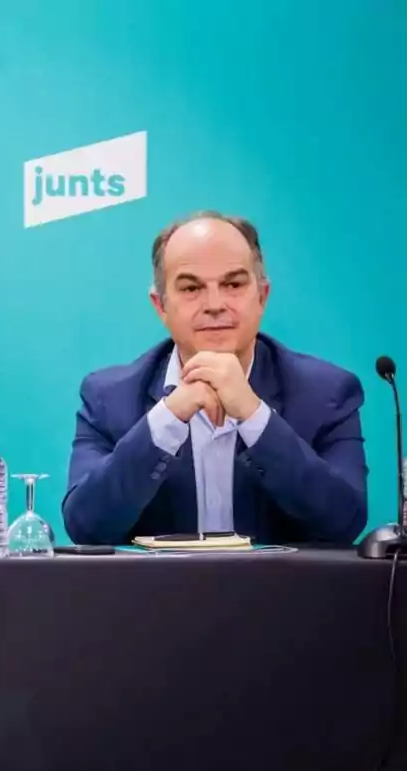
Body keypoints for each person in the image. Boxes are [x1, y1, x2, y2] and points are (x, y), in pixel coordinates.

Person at [62, 211, 367, 545]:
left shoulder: (327, 393)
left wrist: (254, 416)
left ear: (262, 297)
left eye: (233, 285)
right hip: (156, 596)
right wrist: (169, 416)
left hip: (281, 596)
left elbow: (343, 523)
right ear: (160, 306)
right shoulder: (109, 398)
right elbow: (85, 526)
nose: (214, 304)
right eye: (191, 288)